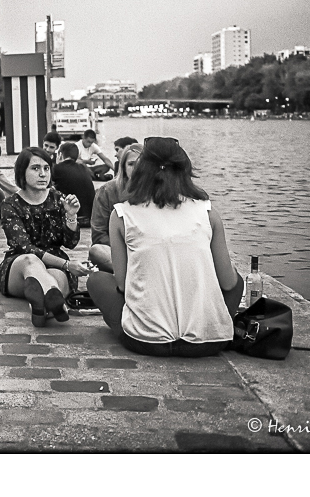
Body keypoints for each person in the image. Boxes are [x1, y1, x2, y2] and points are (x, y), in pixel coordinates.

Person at [87, 137, 244, 357]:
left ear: (141, 171)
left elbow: (123, 286)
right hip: (208, 343)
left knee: (96, 280)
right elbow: (229, 283)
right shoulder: (207, 212)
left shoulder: (122, 214)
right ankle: (215, 325)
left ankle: (142, 322)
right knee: (237, 280)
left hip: (147, 341)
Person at [0, 147, 88, 326]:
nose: (42, 174)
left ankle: (40, 307)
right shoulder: (10, 204)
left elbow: (70, 243)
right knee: (30, 260)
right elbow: (24, 246)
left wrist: (72, 215)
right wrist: (67, 265)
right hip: (20, 265)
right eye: (35, 168)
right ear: (22, 172)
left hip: (55, 264)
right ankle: (52, 301)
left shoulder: (58, 198)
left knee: (52, 277)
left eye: (46, 168)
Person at [89, 142, 143, 272]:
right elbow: (99, 234)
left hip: (145, 252)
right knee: (96, 251)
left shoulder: (157, 192)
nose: (136, 169)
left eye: (141, 164)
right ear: (123, 167)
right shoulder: (106, 191)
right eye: (131, 164)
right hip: (115, 252)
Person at [44, 137, 96, 226]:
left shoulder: (56, 168)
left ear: (60, 155)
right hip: (90, 218)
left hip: (73, 216)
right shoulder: (84, 169)